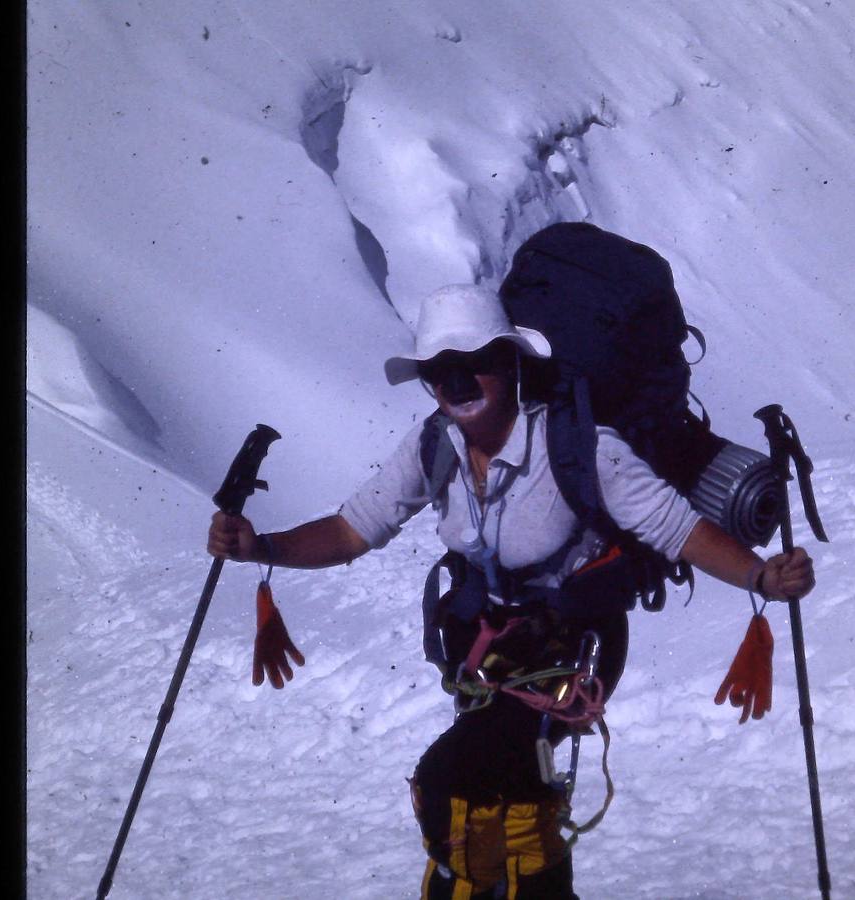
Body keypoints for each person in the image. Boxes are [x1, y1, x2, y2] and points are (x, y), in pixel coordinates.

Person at [208, 283, 815, 899]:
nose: (457, 381)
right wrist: (263, 549)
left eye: (475, 364)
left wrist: (760, 576)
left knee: (464, 786)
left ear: (511, 362)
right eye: (440, 371)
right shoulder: (431, 446)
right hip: (482, 655)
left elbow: (675, 528)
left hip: (571, 650)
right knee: (501, 794)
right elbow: (351, 529)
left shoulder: (580, 448)